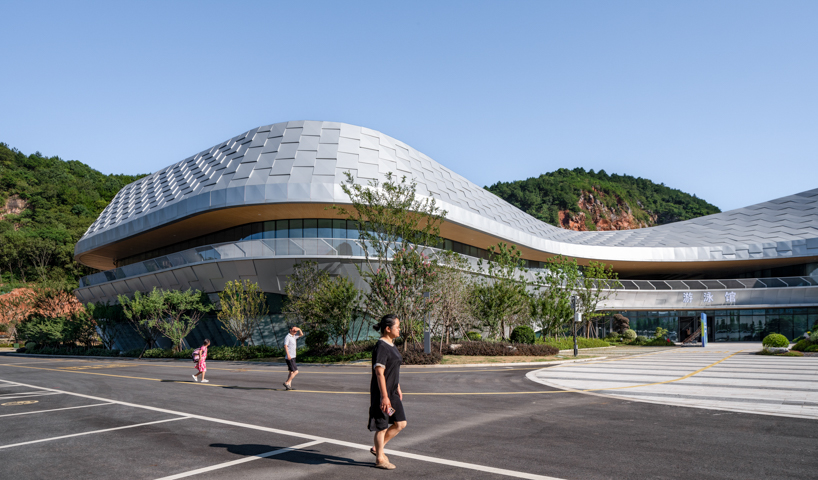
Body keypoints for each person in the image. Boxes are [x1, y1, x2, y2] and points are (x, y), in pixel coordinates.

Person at [368, 314, 406, 470]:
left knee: (401, 423)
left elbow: (393, 368)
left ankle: (378, 448)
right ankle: (380, 459)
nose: (399, 329)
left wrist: (397, 386)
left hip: (392, 392)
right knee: (382, 426)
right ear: (388, 329)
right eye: (397, 326)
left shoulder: (391, 344)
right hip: (382, 394)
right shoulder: (382, 346)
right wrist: (384, 397)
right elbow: (379, 372)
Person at [283, 325, 303, 390]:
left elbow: (301, 334)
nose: (295, 331)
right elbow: (285, 346)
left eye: (296, 330)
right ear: (290, 330)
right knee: (296, 371)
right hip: (290, 357)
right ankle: (287, 383)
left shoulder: (293, 336)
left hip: (293, 356)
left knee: (291, 372)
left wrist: (299, 329)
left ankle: (289, 386)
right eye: (294, 330)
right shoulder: (287, 337)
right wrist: (288, 355)